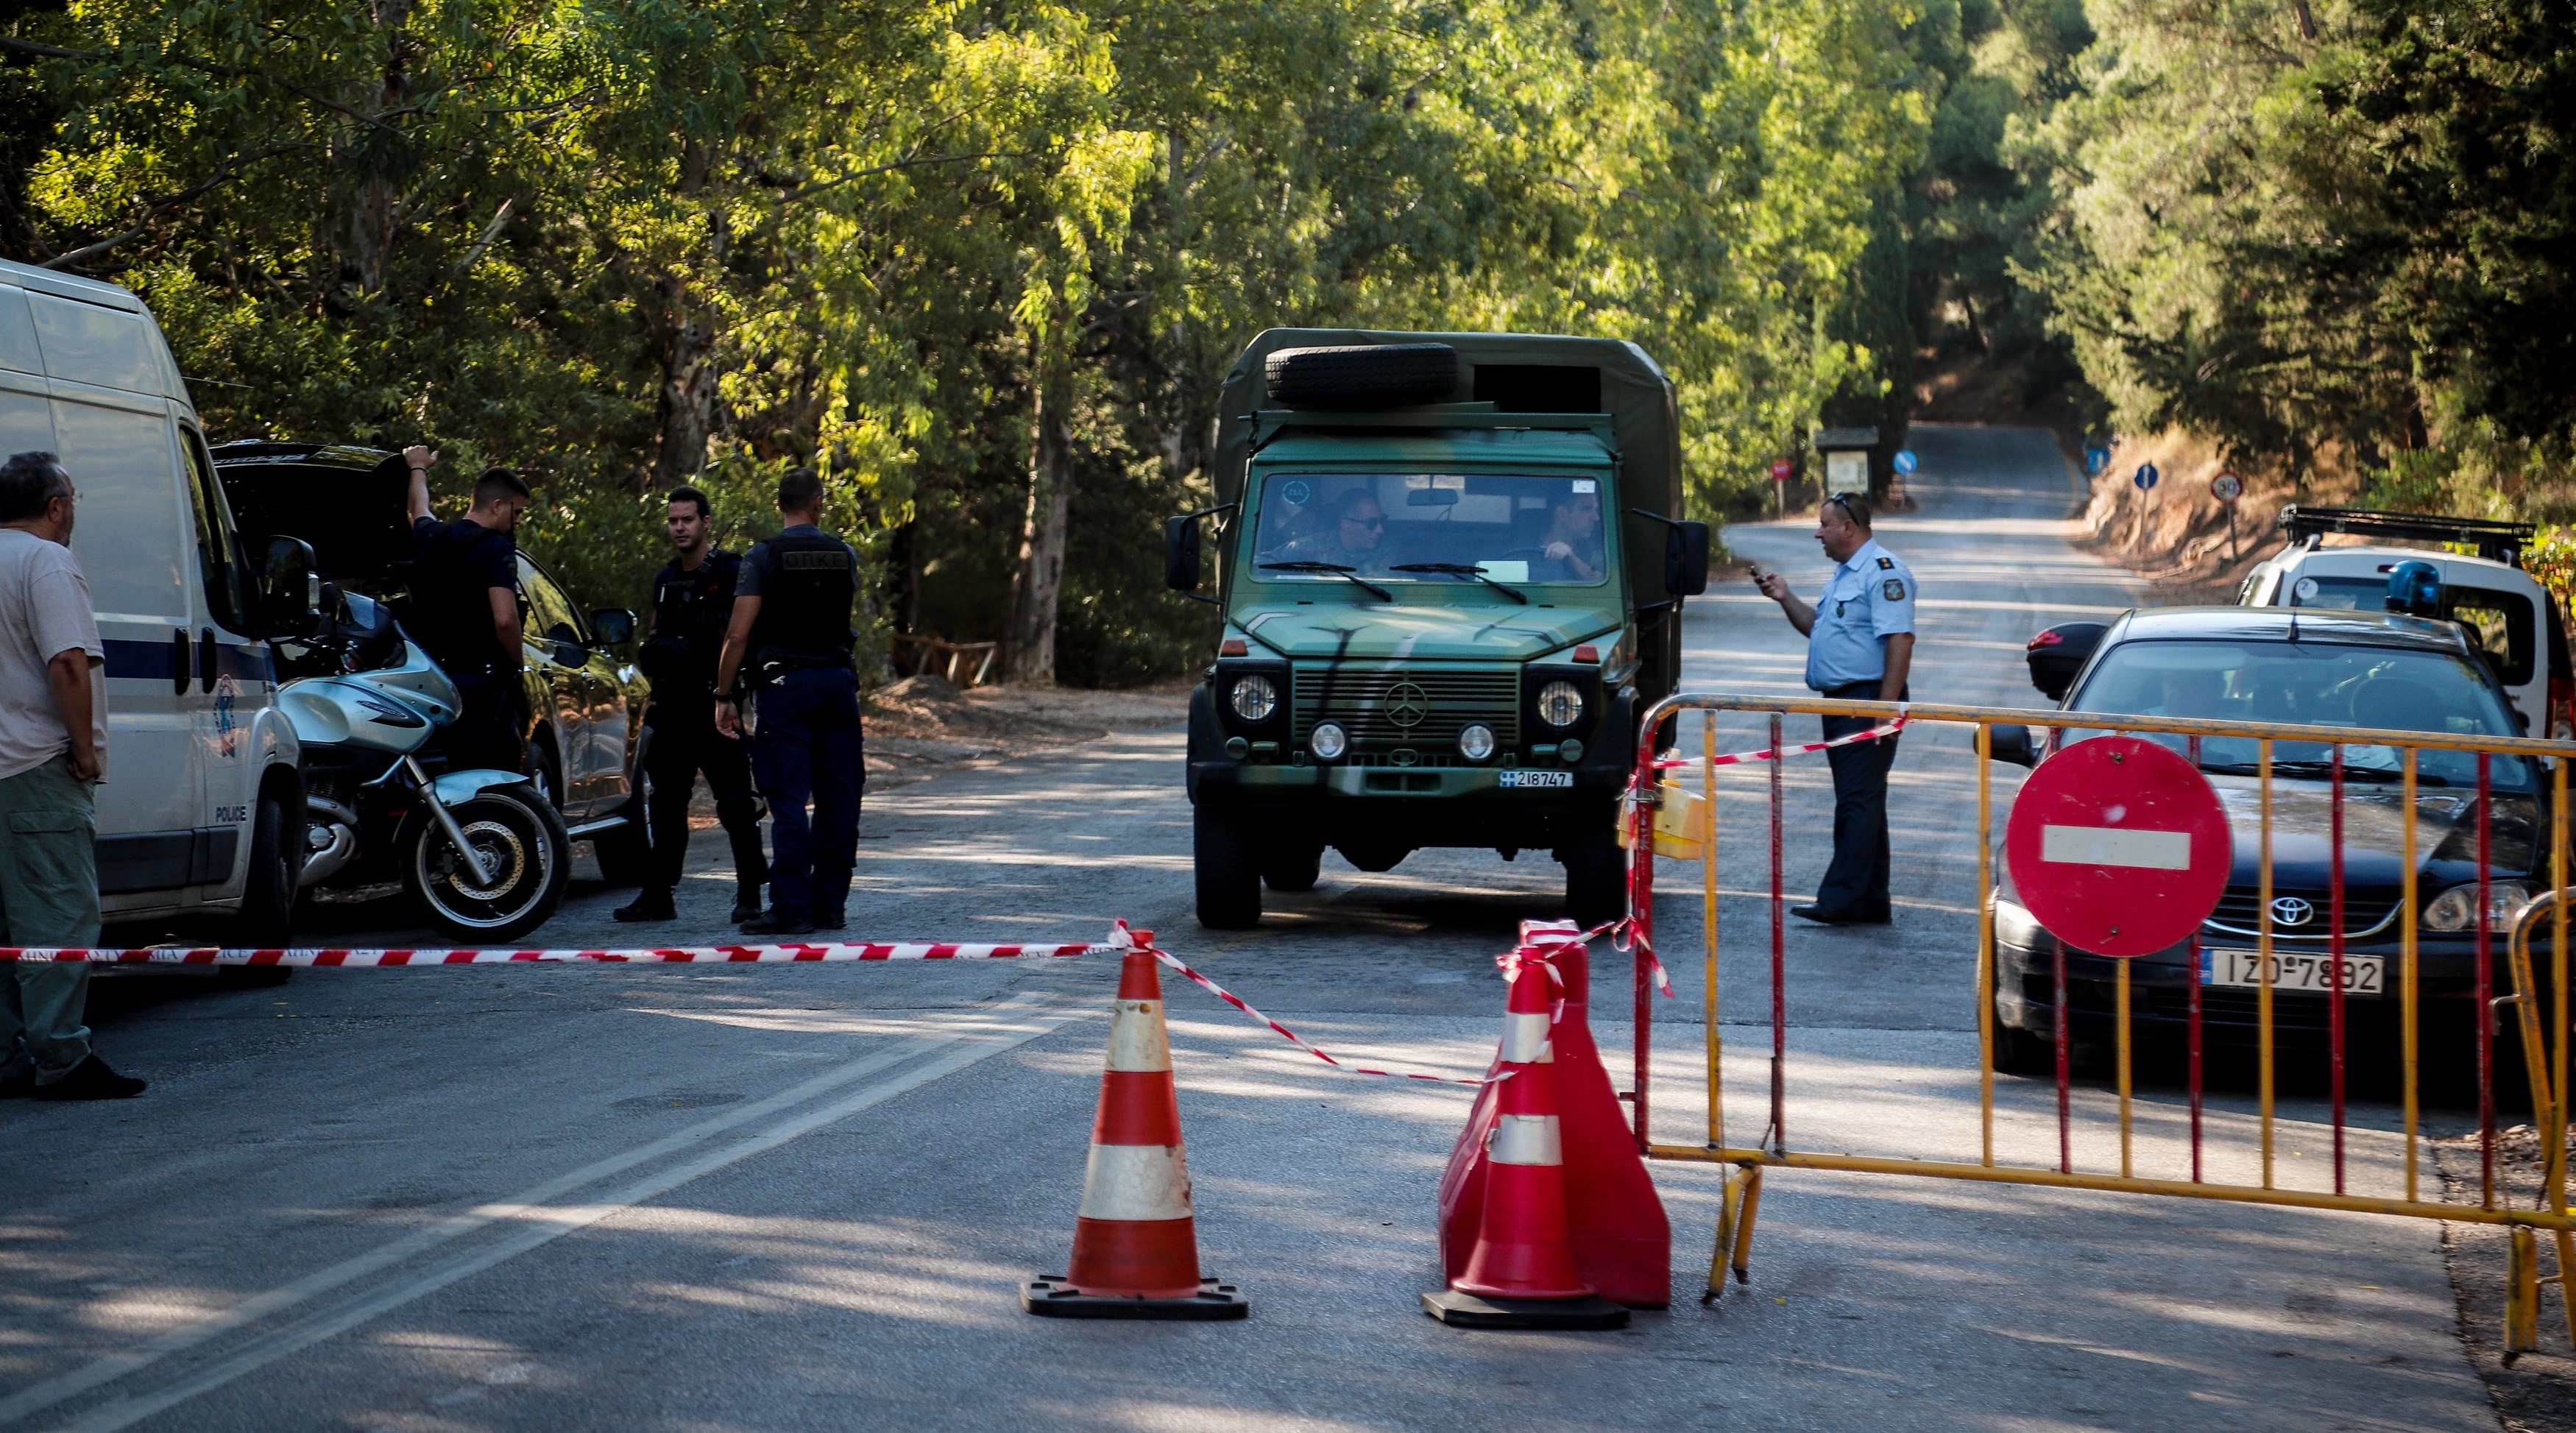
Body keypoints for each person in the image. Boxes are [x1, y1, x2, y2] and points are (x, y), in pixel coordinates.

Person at [0, 451, 144, 1100]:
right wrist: (84, 750)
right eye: (74, 499)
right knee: (57, 916)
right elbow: (66, 662)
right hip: (33, 764)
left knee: (4, 928)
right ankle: (61, 1056)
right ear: (56, 507)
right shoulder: (46, 561)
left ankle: (8, 1056)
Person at [1754, 492, 1916, 926]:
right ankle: (1871, 899)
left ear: (1849, 528)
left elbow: (1900, 638)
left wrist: (1885, 705)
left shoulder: (1883, 573)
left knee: (1856, 802)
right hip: (1845, 701)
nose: (1817, 532)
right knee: (1864, 800)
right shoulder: (1845, 576)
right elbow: (1817, 628)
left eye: (1824, 524)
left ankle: (1842, 899)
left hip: (1867, 699)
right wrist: (1785, 597)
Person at [714, 468, 863, 937]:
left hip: (785, 690)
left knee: (789, 799)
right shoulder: (845, 555)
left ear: (781, 504)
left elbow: (738, 633)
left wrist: (723, 694)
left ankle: (791, 907)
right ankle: (830, 906)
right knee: (839, 799)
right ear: (818, 503)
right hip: (838, 686)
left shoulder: (762, 557)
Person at [615, 487, 768, 924]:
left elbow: (743, 636)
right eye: (673, 521)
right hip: (672, 708)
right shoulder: (666, 580)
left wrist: (731, 696)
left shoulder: (732, 571)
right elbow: (656, 635)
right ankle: (658, 894)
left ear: (706, 522)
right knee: (665, 806)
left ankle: (750, 895)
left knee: (736, 804)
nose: (679, 528)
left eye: (687, 520)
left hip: (717, 707)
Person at [403, 447, 532, 775]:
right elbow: (505, 620)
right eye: (516, 513)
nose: (517, 521)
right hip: (479, 688)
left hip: (431, 682)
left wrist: (418, 467)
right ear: (497, 506)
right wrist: (517, 664)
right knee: (491, 776)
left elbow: (418, 508)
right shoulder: (495, 548)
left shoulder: (434, 537)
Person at [1273, 488, 1390, 572]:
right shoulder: (1309, 546)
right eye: (1372, 524)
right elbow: (1261, 564)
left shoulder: (1387, 551)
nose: (1380, 530)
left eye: (1382, 521)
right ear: (1346, 524)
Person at [1536, 485, 1605, 582]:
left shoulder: (1594, 551)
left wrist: (1572, 558)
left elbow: (1604, 581)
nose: (1596, 517)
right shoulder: (1522, 545)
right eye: (1587, 509)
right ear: (1562, 514)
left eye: (1595, 510)